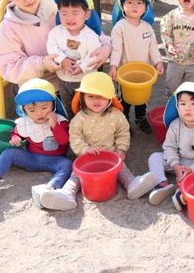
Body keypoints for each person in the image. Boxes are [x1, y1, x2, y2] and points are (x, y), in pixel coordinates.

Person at [38, 72, 158, 210]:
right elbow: (75, 138)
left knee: (122, 169)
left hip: (111, 156)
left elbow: (123, 133)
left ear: (110, 98)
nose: (96, 100)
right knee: (76, 176)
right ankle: (67, 194)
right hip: (87, 158)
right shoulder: (79, 119)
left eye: (101, 95)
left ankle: (132, 185)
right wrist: (85, 149)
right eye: (90, 96)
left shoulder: (117, 115)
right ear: (82, 97)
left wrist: (121, 148)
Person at [0, 0, 111, 91]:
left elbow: (93, 32)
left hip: (79, 80)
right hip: (39, 88)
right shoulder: (8, 27)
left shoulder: (60, 8)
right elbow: (9, 66)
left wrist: (106, 46)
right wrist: (41, 64)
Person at [0, 79, 72, 208]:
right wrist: (15, 138)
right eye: (31, 110)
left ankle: (50, 188)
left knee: (68, 164)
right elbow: (16, 133)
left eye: (44, 108)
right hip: (31, 158)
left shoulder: (60, 121)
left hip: (54, 160)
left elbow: (64, 141)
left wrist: (54, 124)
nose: (39, 113)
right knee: (9, 152)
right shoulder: (24, 122)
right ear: (24, 110)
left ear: (53, 105)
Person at [146, 82, 194, 210]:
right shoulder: (175, 125)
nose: (187, 108)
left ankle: (186, 191)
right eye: (183, 104)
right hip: (181, 162)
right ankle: (161, 184)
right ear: (177, 107)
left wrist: (193, 169)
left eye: (193, 104)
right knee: (155, 158)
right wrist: (176, 167)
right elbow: (169, 148)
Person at [109, 0, 164, 134]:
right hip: (125, 72)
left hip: (144, 70)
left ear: (145, 7)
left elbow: (153, 47)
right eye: (130, 2)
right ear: (122, 6)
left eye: (139, 3)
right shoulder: (120, 27)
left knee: (142, 98)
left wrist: (158, 61)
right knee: (124, 99)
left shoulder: (147, 27)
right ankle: (124, 121)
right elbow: (116, 49)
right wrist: (113, 66)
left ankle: (140, 118)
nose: (135, 6)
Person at [46, 0, 103, 117]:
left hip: (86, 80)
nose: (69, 18)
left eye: (75, 13)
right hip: (63, 79)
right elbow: (52, 47)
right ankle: (71, 126)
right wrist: (63, 59)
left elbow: (94, 56)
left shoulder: (90, 36)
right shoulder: (56, 32)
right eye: (64, 13)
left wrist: (82, 67)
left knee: (86, 107)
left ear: (87, 14)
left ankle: (87, 126)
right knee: (68, 107)